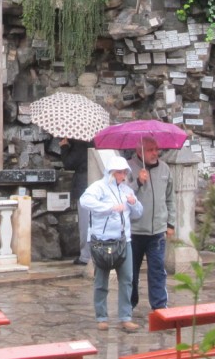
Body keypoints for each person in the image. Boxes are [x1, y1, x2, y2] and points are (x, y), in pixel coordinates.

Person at [79, 155, 143, 332]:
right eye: (120, 172)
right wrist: (109, 208)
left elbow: (138, 213)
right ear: (112, 173)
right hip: (103, 241)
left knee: (127, 279)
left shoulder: (126, 190)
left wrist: (134, 202)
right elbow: (85, 201)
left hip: (124, 240)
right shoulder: (98, 187)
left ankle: (125, 316)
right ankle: (101, 316)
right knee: (101, 280)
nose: (123, 175)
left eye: (124, 172)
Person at [127, 137, 176, 312]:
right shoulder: (128, 167)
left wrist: (171, 223)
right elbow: (122, 196)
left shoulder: (165, 169)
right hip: (134, 231)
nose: (155, 153)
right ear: (139, 151)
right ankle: (129, 306)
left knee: (157, 270)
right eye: (150, 150)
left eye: (156, 149)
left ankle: (159, 306)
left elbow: (170, 197)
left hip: (157, 230)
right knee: (131, 273)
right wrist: (138, 182)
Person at [59, 138, 92, 265]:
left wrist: (64, 146)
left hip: (84, 186)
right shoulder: (98, 139)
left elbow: (69, 163)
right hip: (98, 182)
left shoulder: (81, 142)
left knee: (85, 223)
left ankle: (85, 256)